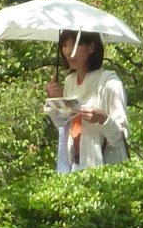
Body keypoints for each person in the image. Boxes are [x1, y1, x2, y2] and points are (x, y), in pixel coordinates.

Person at [44, 30, 129, 173]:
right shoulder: (70, 81)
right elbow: (64, 125)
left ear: (91, 48)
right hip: (74, 166)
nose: (68, 51)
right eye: (64, 45)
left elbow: (120, 139)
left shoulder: (110, 83)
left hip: (104, 169)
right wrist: (57, 101)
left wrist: (103, 119)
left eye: (76, 45)